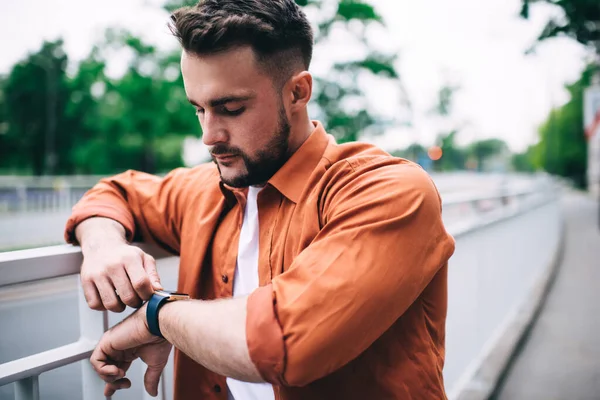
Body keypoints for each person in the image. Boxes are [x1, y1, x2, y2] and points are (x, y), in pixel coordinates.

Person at [64, 0, 456, 399]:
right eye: (198, 109)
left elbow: (285, 343)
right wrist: (104, 246)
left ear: (298, 92)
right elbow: (114, 193)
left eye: (230, 108)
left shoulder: (387, 191)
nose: (209, 135)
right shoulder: (204, 190)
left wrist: (158, 317)